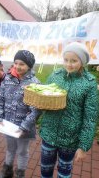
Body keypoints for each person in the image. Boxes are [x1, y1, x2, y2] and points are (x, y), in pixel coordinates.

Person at [39, 42, 98, 178]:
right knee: (45, 170)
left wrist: (83, 146)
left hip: (70, 139)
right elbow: (43, 96)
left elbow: (90, 117)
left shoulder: (89, 83)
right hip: (49, 133)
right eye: (66, 60)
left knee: (64, 174)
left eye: (74, 61)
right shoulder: (55, 75)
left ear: (82, 62)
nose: (69, 64)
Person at [0, 50, 41, 178]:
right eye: (16, 63)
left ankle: (20, 173)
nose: (18, 66)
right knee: (10, 148)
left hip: (24, 128)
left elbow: (35, 109)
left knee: (22, 151)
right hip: (8, 124)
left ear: (29, 66)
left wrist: (24, 127)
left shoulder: (34, 83)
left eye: (22, 64)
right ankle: (7, 169)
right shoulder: (8, 79)